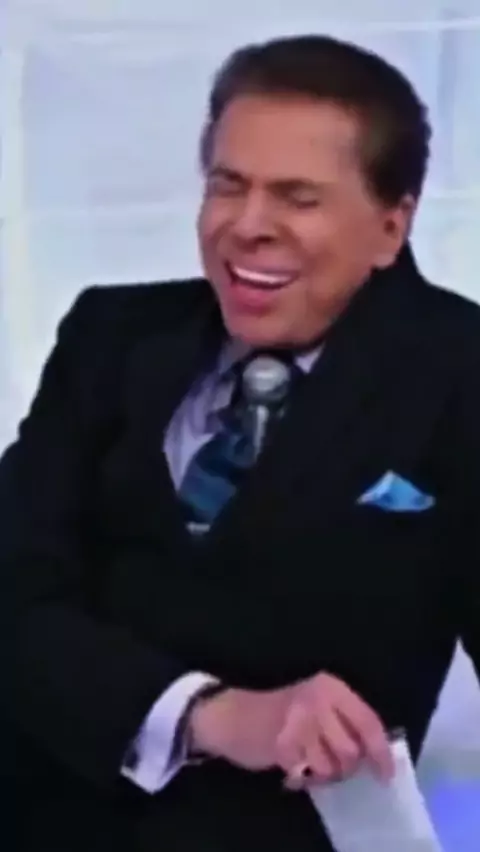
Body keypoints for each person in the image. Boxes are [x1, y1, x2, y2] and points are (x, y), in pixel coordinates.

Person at [4, 33, 480, 852]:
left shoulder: (461, 374)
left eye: (298, 198)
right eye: (228, 185)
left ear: (391, 226)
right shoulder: (111, 335)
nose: (246, 226)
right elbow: (12, 589)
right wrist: (211, 714)